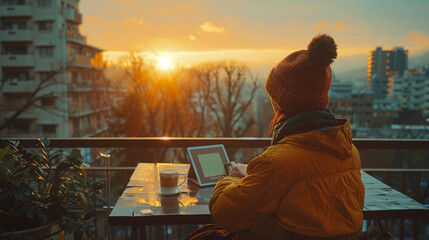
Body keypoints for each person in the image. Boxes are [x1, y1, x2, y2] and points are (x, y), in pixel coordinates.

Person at [187, 34, 365, 240]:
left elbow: (225, 213)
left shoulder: (277, 163)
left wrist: (233, 177)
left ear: (282, 102)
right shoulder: (350, 152)